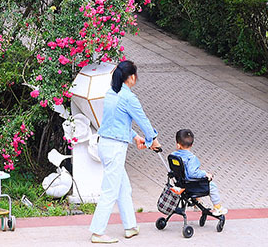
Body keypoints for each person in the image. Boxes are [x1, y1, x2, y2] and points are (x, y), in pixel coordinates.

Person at [89, 60, 160, 244]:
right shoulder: (129, 98)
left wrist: (136, 137)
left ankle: (130, 226)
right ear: (132, 77)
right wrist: (152, 140)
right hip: (115, 148)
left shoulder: (111, 93)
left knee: (123, 187)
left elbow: (117, 122)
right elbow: (143, 120)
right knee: (110, 191)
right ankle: (97, 232)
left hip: (106, 144)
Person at [172, 129, 227, 216]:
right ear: (192, 144)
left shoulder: (174, 156)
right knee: (212, 186)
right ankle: (217, 207)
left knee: (196, 181)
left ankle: (196, 202)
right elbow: (192, 173)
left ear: (178, 145)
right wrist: (205, 174)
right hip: (190, 185)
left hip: (180, 183)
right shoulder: (191, 158)